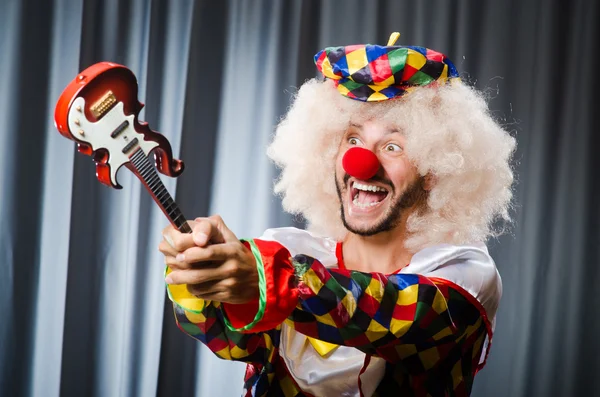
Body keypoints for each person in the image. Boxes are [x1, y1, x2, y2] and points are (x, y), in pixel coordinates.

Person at [159, 33, 515, 397]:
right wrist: (199, 273)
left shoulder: (463, 276)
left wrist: (270, 281)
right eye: (353, 140)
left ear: (433, 170)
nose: (360, 164)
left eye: (392, 146)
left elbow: (383, 313)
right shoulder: (288, 250)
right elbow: (232, 342)